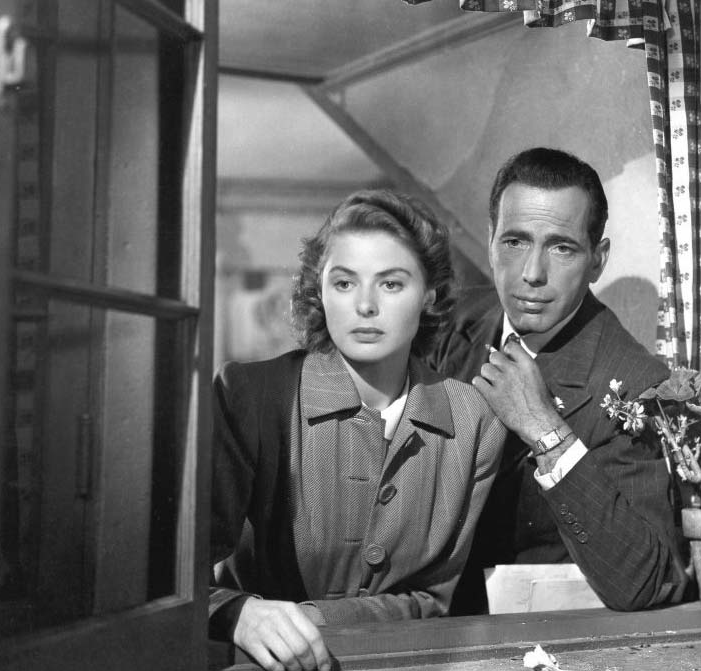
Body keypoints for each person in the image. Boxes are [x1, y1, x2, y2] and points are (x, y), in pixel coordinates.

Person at [210, 189, 506, 671]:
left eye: (391, 284)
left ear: (428, 295)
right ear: (318, 290)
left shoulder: (473, 420)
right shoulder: (251, 395)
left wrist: (312, 619)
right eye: (344, 283)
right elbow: (174, 587)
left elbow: (435, 599)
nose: (365, 305)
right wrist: (238, 613)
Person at [430, 147, 691, 615]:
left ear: (597, 259)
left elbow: (650, 580)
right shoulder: (455, 323)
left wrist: (546, 430)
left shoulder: (636, 383)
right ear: (490, 241)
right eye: (514, 242)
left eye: (561, 247)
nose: (531, 274)